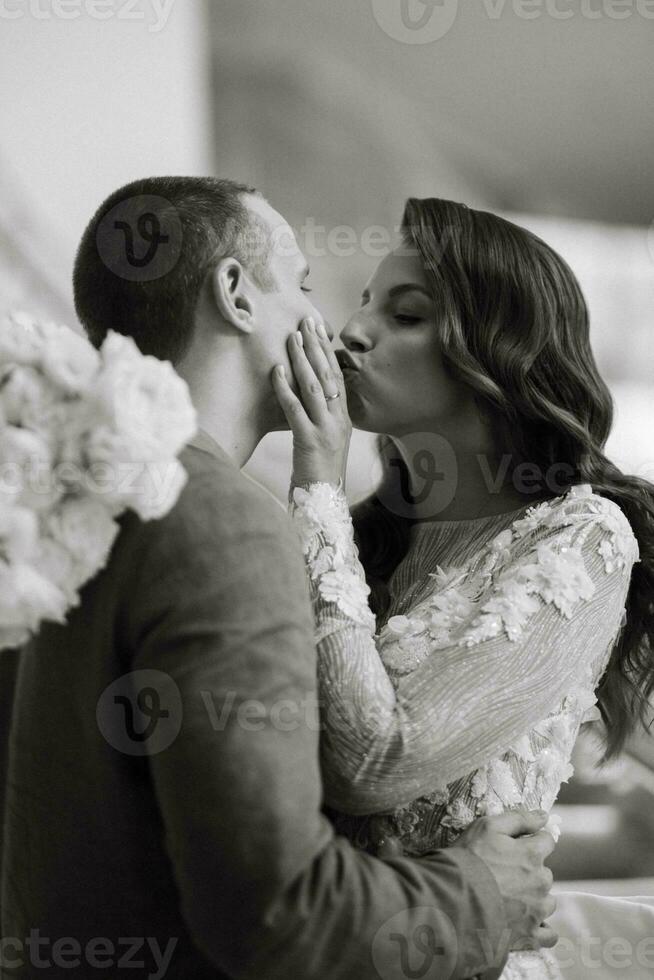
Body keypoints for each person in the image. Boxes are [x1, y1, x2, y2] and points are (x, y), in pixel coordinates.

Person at [0, 179, 556, 979]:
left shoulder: (58, 508)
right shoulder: (222, 521)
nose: (333, 328)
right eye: (301, 286)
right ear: (235, 294)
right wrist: (478, 896)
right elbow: (277, 914)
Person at [272, 198, 654, 979]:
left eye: (406, 314)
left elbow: (375, 763)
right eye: (365, 302)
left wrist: (314, 477)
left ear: (497, 351)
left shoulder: (582, 537)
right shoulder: (348, 541)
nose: (352, 331)